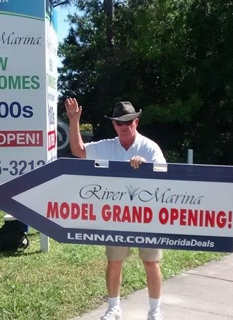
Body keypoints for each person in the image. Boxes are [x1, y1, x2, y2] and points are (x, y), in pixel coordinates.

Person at [65, 98, 166, 320]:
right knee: (114, 261)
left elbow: (164, 173)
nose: (124, 126)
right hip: (118, 217)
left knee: (151, 263)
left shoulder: (149, 147)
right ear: (114, 125)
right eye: (119, 123)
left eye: (128, 122)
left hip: (147, 216)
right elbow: (78, 150)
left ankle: (155, 311)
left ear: (136, 122)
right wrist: (74, 121)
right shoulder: (107, 146)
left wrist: (145, 166)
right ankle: (113, 308)